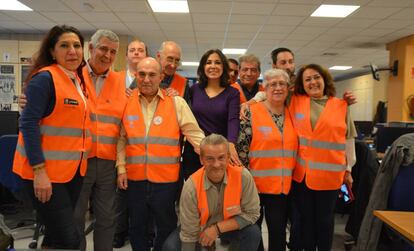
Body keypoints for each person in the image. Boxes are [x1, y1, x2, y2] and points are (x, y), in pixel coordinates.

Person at [13, 25, 91, 249]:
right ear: (52, 51)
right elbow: (28, 124)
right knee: (69, 238)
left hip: (71, 172)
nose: (72, 51)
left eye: (77, 46)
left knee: (57, 236)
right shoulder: (45, 79)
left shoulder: (76, 80)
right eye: (64, 46)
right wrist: (39, 172)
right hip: (44, 173)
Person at [116, 57, 205, 251]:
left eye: (152, 74)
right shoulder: (125, 102)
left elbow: (194, 134)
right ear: (135, 75)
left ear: (161, 77)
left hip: (167, 180)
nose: (146, 79)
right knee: (137, 225)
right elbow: (121, 139)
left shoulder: (177, 103)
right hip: (134, 178)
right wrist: (121, 168)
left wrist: (212, 157)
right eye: (142, 74)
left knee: (166, 225)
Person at [290, 64, 356, 251]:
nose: (313, 82)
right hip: (303, 176)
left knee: (325, 222)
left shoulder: (341, 105)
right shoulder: (295, 102)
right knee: (306, 222)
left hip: (330, 176)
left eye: (316, 77)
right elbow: (271, 91)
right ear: (302, 84)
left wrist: (348, 169)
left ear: (324, 79)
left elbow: (348, 140)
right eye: (307, 79)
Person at [163, 134, 261, 251]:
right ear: (201, 159)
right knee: (171, 247)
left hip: (229, 226)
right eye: (210, 158)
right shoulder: (191, 186)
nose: (216, 164)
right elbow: (189, 232)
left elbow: (252, 214)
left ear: (228, 157)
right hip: (199, 227)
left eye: (221, 158)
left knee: (253, 233)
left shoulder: (243, 177)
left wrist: (216, 229)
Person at [75, 29, 126, 251]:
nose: (107, 55)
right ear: (91, 48)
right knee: (75, 217)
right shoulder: (72, 75)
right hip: (78, 159)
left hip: (107, 161)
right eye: (103, 49)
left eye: (113, 52)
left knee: (107, 219)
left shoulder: (121, 81)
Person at [237, 68, 298, 251]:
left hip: (281, 188)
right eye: (273, 84)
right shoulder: (251, 112)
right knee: (254, 232)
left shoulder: (293, 113)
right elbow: (242, 151)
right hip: (254, 186)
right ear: (265, 87)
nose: (277, 88)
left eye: (281, 84)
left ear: (287, 87)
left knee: (278, 232)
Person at [182, 49, 241, 180]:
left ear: (223, 67)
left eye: (217, 63)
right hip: (195, 151)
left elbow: (233, 120)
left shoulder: (232, 93)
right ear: (203, 67)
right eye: (209, 62)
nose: (213, 66)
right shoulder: (193, 90)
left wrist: (231, 144)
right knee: (195, 193)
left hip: (219, 152)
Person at [113, 38, 148, 248]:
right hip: (112, 143)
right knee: (118, 196)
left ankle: (136, 232)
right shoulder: (114, 79)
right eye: (132, 50)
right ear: (126, 56)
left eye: (140, 50)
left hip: (137, 145)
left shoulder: (151, 81)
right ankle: (119, 232)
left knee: (136, 195)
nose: (136, 53)